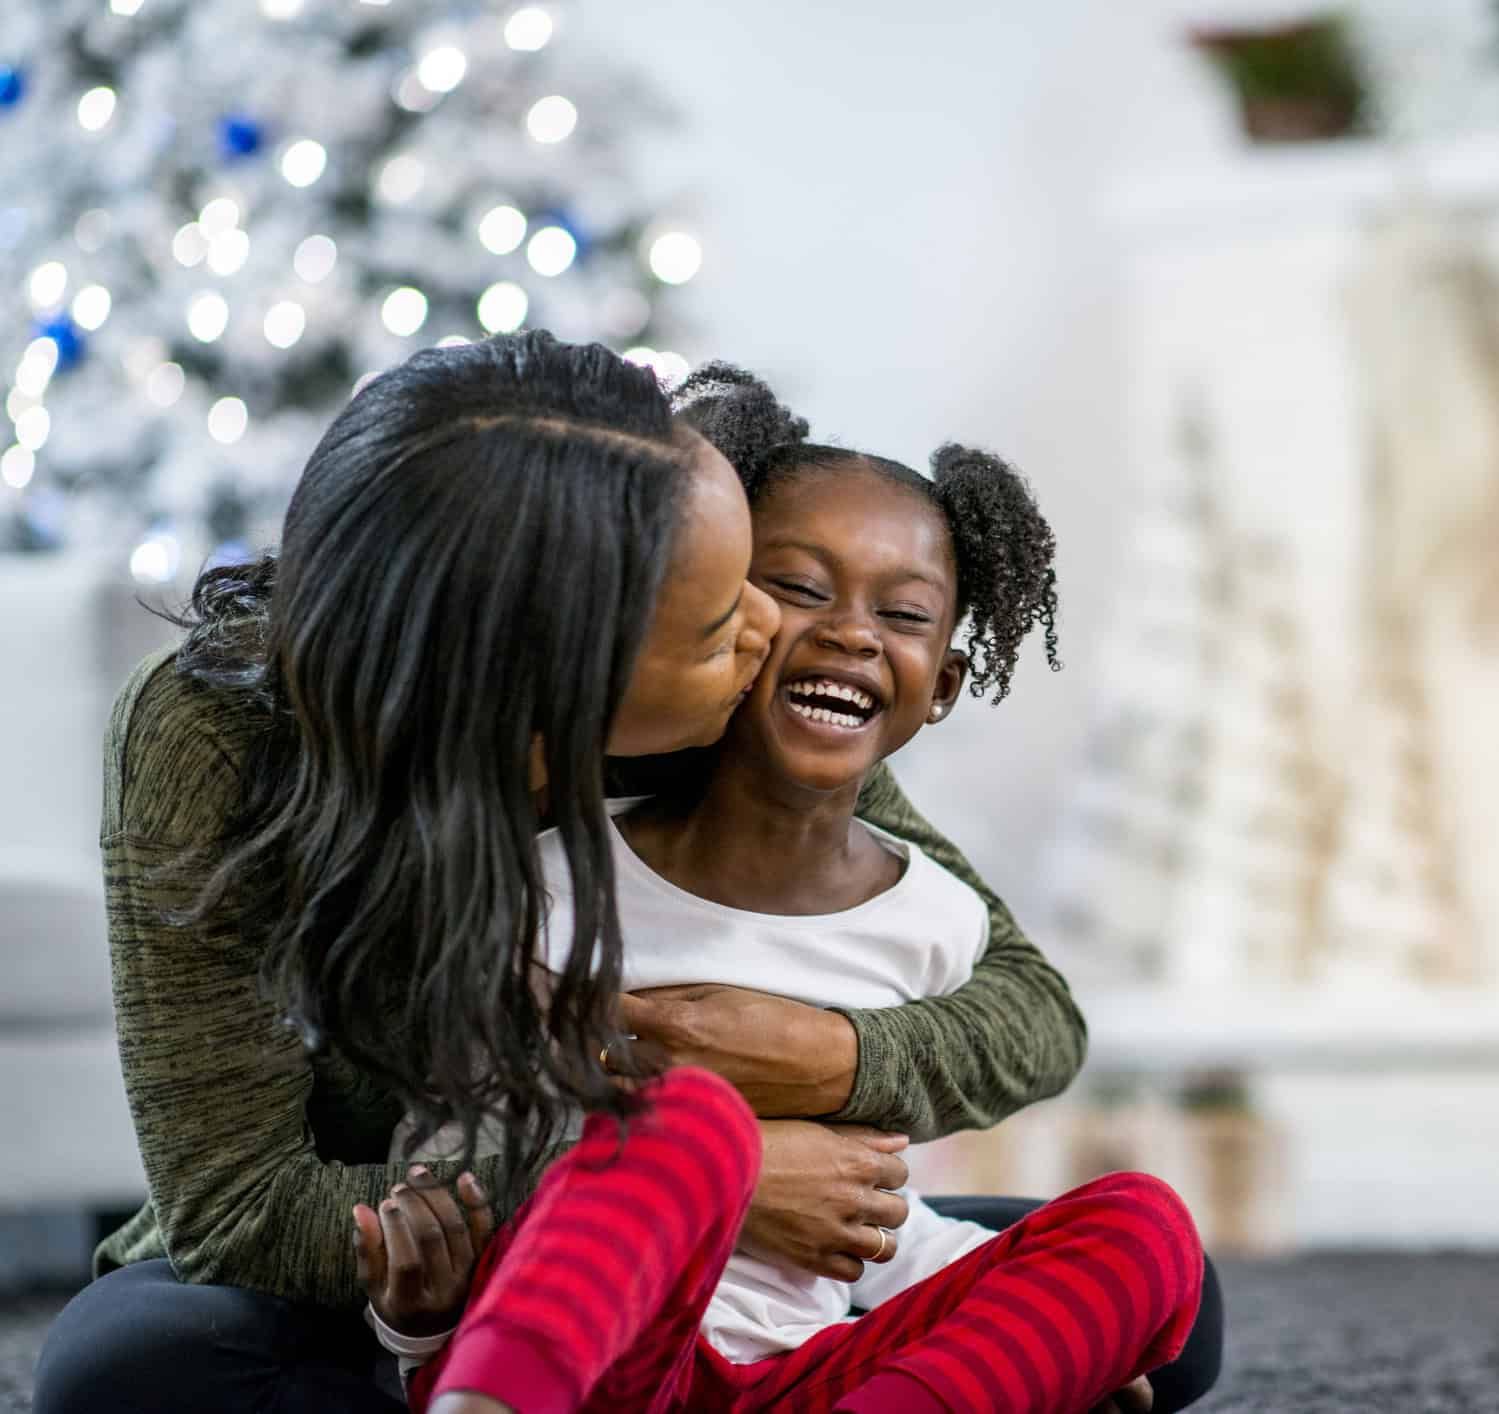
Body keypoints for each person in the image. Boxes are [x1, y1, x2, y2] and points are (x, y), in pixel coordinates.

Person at [30, 333, 1100, 1414]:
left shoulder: (738, 709)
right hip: (416, 1259)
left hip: (749, 1283)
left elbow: (1031, 1012)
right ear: (566, 672)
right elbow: (245, 1211)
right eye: (730, 610)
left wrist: (824, 1055)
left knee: (1160, 1292)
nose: (782, 632)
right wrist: (707, 1188)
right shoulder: (212, 733)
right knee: (125, 1364)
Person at [387, 370, 1206, 1414]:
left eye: (902, 612)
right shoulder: (556, 881)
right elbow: (455, 1150)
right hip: (607, 1367)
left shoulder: (937, 919)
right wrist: (724, 1176)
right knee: (688, 1120)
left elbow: (884, 1211)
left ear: (944, 683)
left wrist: (1035, 1323)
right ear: (716, 619)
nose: (852, 633)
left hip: (811, 1376)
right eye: (801, 589)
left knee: (1147, 1231)